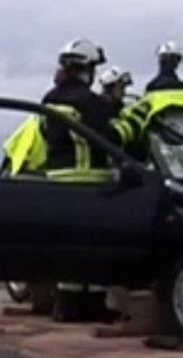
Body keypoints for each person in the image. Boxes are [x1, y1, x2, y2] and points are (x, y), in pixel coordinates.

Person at [40, 39, 139, 323]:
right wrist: (135, 119)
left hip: (57, 178)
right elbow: (113, 139)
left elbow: (46, 137)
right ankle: (89, 306)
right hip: (89, 180)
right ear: (86, 69)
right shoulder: (88, 101)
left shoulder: (50, 97)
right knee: (93, 245)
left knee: (66, 244)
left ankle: (65, 305)